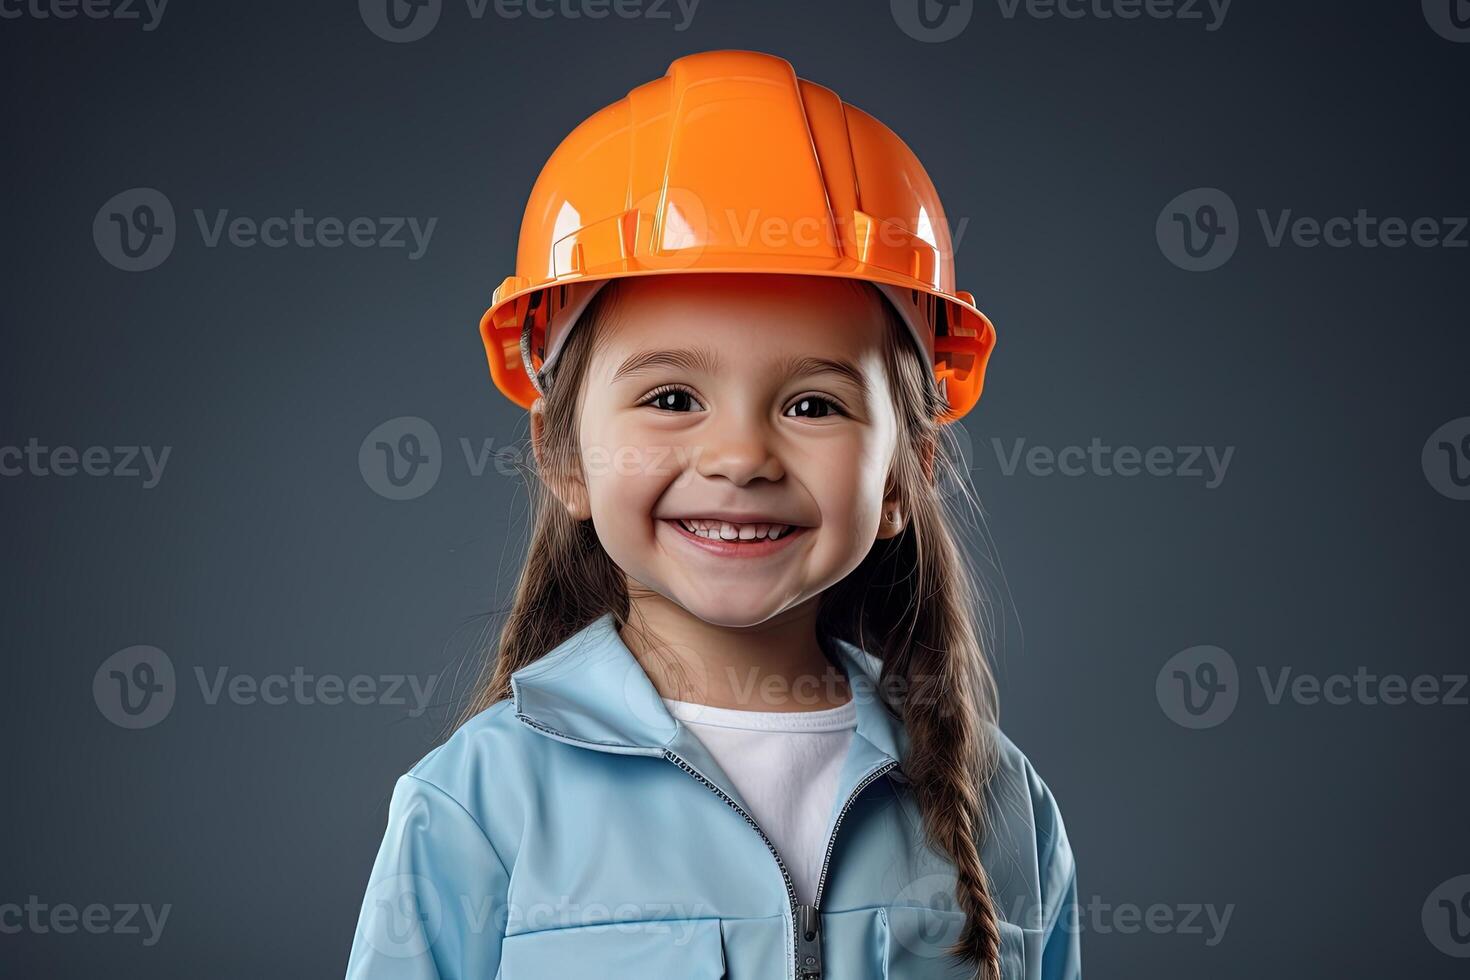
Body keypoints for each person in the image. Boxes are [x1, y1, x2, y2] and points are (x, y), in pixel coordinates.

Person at [345, 48, 1080, 980]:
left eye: (814, 405)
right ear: (563, 456)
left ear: (905, 474)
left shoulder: (1002, 806)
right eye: (670, 398)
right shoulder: (478, 805)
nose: (739, 456)